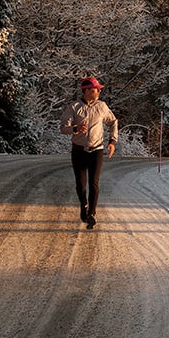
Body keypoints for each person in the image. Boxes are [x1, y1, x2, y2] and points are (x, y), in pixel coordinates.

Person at [58, 76, 118, 229]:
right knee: (81, 185)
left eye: (98, 89)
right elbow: (63, 127)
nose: (97, 92)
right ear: (85, 91)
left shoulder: (102, 106)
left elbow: (113, 122)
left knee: (94, 183)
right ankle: (83, 205)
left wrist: (112, 141)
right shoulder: (74, 107)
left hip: (96, 150)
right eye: (94, 89)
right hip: (78, 151)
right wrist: (75, 129)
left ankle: (91, 213)